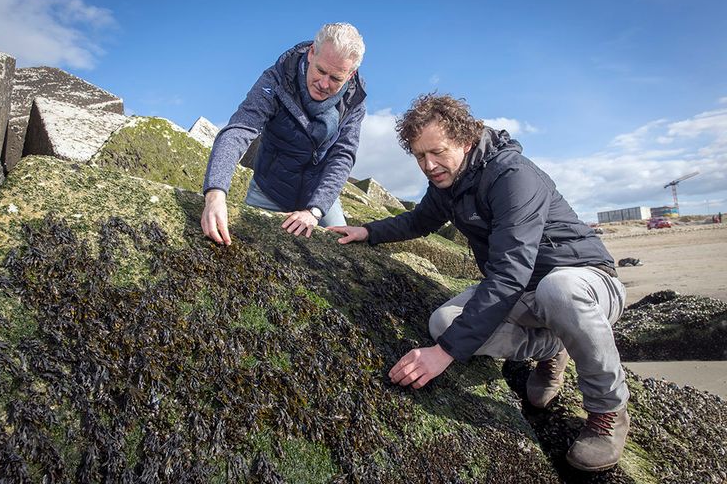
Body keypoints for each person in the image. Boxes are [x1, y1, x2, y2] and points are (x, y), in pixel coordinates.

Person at [329, 94, 630, 472]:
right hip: (525, 292)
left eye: (436, 152)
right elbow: (419, 221)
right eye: (420, 156)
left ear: (466, 140)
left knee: (559, 290)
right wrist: (367, 231)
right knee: (442, 324)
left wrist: (444, 355)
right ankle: (553, 347)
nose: (429, 165)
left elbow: (509, 271)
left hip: (587, 281)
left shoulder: (512, 176)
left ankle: (608, 411)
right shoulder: (448, 182)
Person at [201, 23, 366, 245]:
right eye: (320, 70)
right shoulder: (276, 79)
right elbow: (240, 129)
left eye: (336, 78)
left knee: (344, 251)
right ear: (311, 54)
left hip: (319, 195)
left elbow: (342, 155)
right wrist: (215, 193)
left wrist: (315, 211)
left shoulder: (354, 101)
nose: (324, 84)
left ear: (350, 74)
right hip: (268, 189)